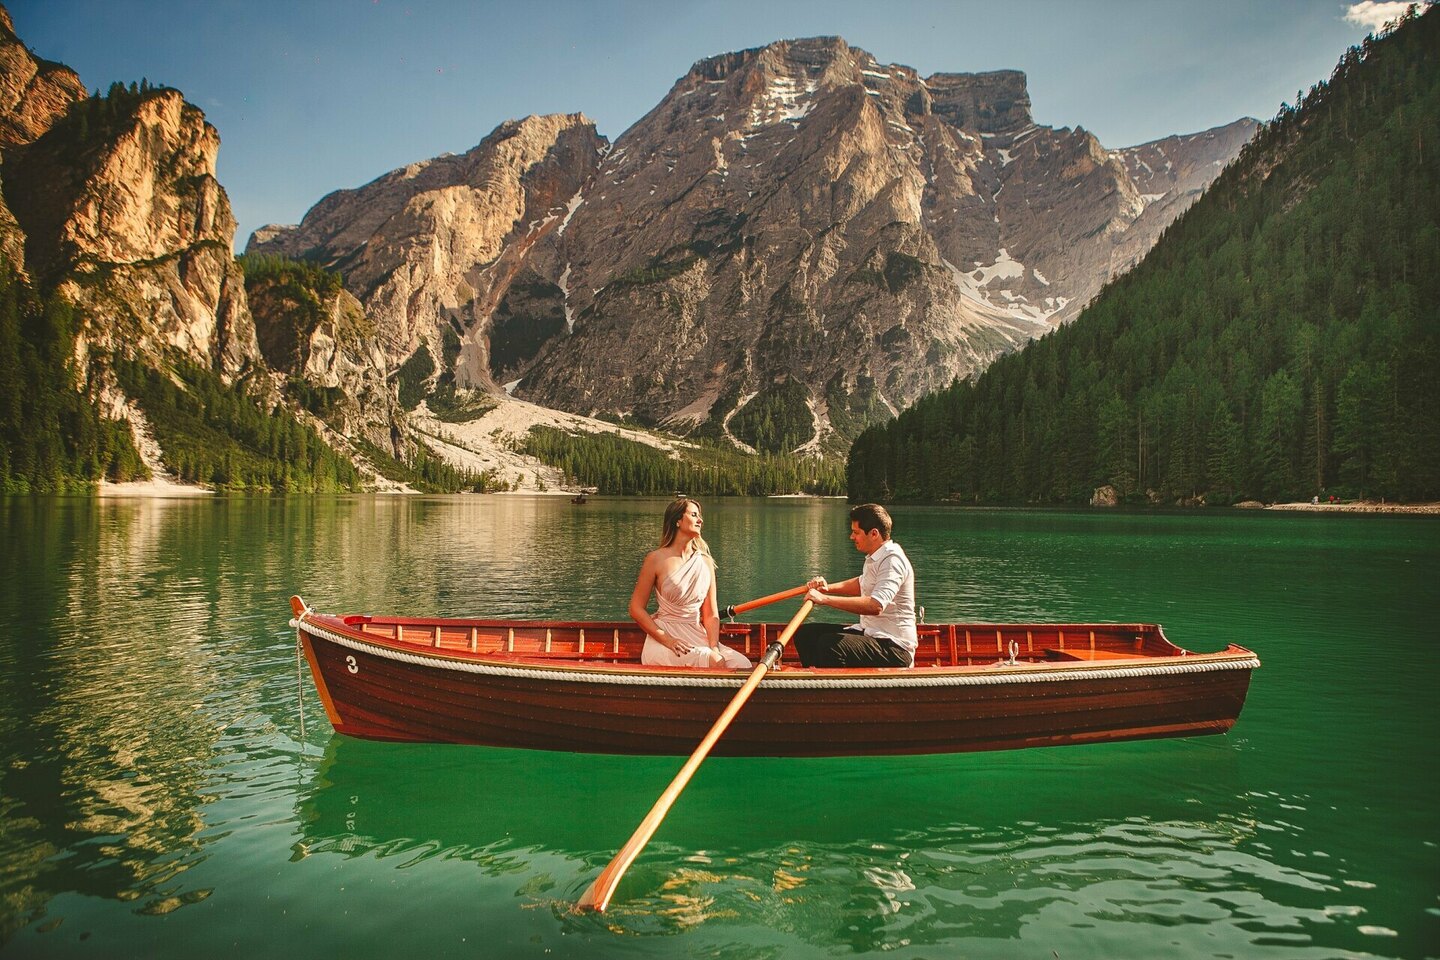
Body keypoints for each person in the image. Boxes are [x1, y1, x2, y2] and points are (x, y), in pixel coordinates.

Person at [630, 498, 752, 669]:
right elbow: (635, 608)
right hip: (665, 639)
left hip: (696, 634)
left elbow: (710, 614)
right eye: (694, 515)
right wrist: (669, 640)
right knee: (714, 662)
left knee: (743, 665)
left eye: (699, 516)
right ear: (678, 521)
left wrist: (714, 646)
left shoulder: (706, 562)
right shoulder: (655, 559)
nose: (700, 520)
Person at [793, 503, 917, 668]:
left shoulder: (892, 560)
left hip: (895, 647)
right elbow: (862, 583)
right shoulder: (875, 556)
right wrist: (827, 588)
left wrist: (825, 599)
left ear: (874, 534)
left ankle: (838, 690)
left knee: (830, 645)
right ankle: (817, 683)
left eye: (856, 532)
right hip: (871, 633)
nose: (852, 537)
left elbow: (875, 606)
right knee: (806, 634)